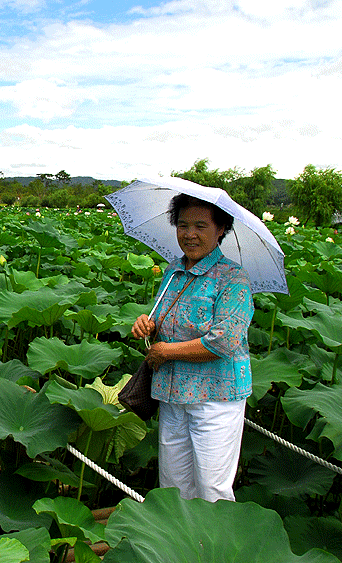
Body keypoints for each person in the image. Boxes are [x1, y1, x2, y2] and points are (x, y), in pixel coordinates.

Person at [131, 193, 254, 502]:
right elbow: (162, 319)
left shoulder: (233, 278)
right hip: (172, 395)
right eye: (183, 225)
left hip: (215, 399)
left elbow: (224, 342)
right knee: (173, 488)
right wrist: (147, 324)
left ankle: (214, 550)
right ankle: (179, 548)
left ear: (222, 228)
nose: (189, 234)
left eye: (201, 225)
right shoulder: (173, 272)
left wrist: (166, 352)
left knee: (212, 489)